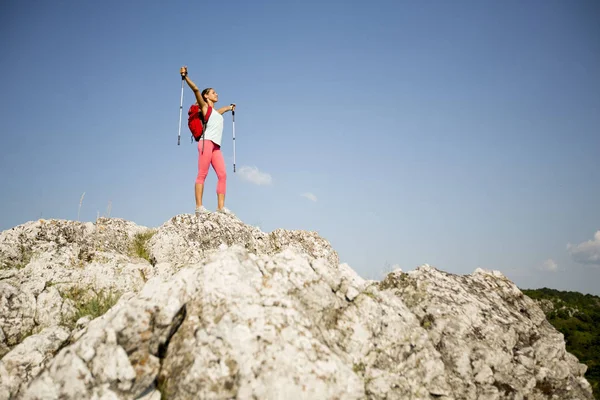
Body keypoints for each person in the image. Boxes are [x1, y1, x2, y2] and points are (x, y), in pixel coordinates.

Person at [180, 66, 235, 216]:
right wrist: (186, 77)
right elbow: (196, 90)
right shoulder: (205, 108)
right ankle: (199, 206)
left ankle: (221, 208)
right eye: (213, 92)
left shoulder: (215, 113)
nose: (216, 94)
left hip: (216, 147)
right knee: (202, 173)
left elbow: (221, 111)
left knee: (222, 175)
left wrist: (229, 107)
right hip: (206, 143)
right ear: (206, 96)